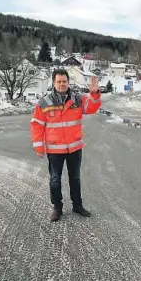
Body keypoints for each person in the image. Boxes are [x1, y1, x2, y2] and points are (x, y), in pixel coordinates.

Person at [30, 69, 102, 221]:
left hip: (74, 148)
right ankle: (57, 207)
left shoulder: (77, 99)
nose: (62, 84)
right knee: (55, 180)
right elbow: (37, 125)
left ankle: (77, 205)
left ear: (68, 82)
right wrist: (38, 146)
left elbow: (91, 108)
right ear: (54, 83)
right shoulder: (45, 102)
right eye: (59, 81)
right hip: (55, 150)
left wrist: (94, 94)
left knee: (75, 179)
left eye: (64, 81)